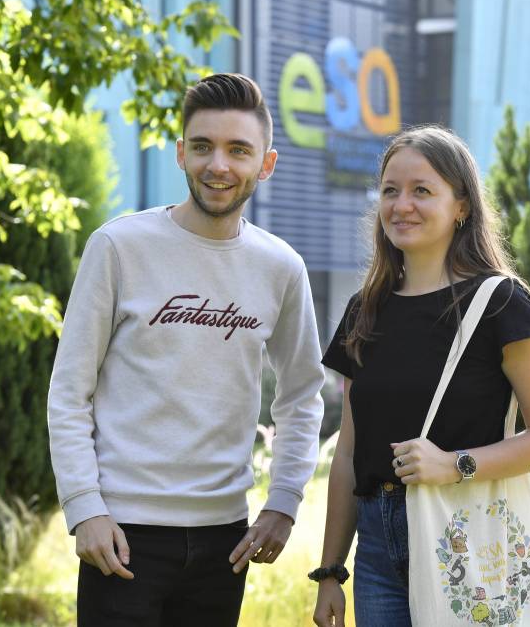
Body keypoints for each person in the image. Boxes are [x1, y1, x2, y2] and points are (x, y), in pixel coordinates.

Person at [48, 73, 325, 626]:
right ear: (180, 154)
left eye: (237, 150)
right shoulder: (118, 247)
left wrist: (284, 503)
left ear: (265, 164)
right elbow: (69, 390)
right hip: (122, 534)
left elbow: (302, 394)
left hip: (225, 540)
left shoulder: (282, 268)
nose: (217, 165)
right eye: (202, 146)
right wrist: (84, 509)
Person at [310, 125, 530, 627]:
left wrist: (456, 465)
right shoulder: (364, 310)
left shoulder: (500, 304)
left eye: (422, 191)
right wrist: (330, 571)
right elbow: (349, 450)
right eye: (390, 190)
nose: (401, 205)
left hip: (470, 538)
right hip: (376, 550)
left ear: (462, 207)